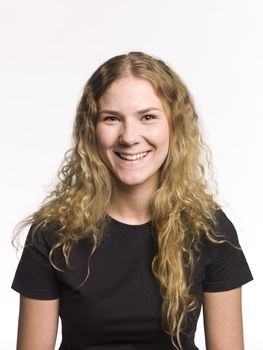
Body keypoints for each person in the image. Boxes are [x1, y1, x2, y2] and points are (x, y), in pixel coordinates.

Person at [12, 51, 253, 350]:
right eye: (112, 118)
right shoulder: (53, 233)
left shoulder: (210, 229)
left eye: (148, 117)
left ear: (174, 124)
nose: (129, 136)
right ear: (92, 129)